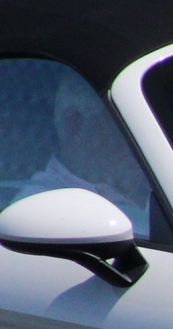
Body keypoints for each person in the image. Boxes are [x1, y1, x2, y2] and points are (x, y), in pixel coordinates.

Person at [16, 68, 155, 237]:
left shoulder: (161, 187)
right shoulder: (44, 214)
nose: (143, 139)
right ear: (74, 124)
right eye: (127, 125)